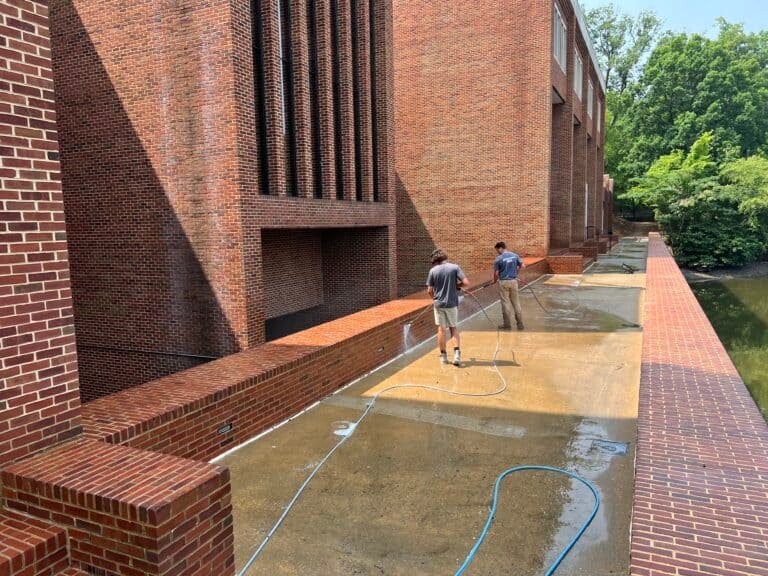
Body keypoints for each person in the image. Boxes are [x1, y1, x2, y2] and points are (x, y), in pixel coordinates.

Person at [426, 248, 470, 366]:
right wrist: (457, 286)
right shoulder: (455, 268)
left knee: (441, 329)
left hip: (439, 304)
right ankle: (456, 355)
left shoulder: (433, 271)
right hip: (452, 304)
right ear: (445, 257)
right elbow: (466, 283)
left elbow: (430, 290)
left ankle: (444, 357)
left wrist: (435, 298)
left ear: (435, 260)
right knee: (453, 328)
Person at [493, 241, 525, 330]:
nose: (497, 252)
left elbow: (496, 273)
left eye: (497, 250)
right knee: (516, 303)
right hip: (514, 281)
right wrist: (516, 273)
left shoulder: (498, 259)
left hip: (503, 282)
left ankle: (507, 325)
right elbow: (523, 265)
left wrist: (495, 281)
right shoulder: (515, 255)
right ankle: (520, 324)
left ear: (500, 248)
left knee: (505, 303)